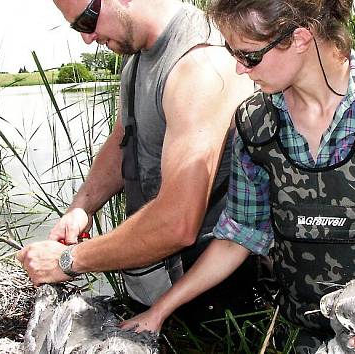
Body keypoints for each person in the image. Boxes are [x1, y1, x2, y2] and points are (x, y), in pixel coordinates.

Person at [117, 0, 355, 353]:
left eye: (249, 55)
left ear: (300, 38)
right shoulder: (255, 124)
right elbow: (238, 238)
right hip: (304, 338)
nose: (239, 69)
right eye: (233, 54)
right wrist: (160, 309)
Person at [16, 0, 255, 312]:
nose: (86, 39)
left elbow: (178, 223)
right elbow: (123, 141)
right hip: (155, 279)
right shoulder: (137, 60)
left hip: (210, 294)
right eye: (77, 27)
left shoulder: (200, 64)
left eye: (86, 22)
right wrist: (81, 208)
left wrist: (68, 260)